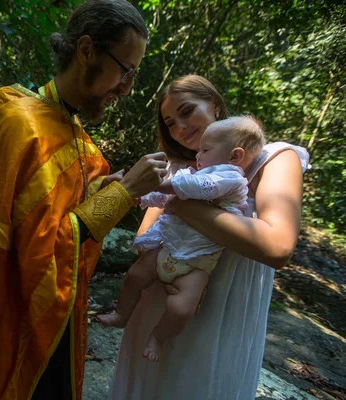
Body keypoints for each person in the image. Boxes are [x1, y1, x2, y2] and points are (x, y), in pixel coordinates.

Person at [0, 1, 168, 399]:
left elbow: (69, 220)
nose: (127, 88)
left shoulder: (80, 140)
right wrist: (123, 190)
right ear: (86, 51)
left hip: (67, 306)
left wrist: (107, 189)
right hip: (29, 312)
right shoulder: (25, 125)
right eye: (126, 70)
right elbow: (37, 248)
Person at [108, 74, 310, 399]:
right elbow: (144, 236)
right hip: (163, 304)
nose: (179, 128)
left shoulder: (274, 158)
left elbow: (278, 245)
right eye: (170, 123)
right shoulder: (178, 170)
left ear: (214, 104)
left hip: (222, 312)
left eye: (187, 111)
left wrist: (179, 203)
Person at [99, 116, 266, 362]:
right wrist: (143, 197)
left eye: (205, 150)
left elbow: (192, 187)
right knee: (135, 276)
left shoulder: (229, 178)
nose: (198, 155)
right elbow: (166, 198)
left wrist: (150, 183)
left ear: (234, 156)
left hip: (196, 262)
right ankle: (122, 314)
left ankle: (159, 336)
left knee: (181, 308)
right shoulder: (193, 174)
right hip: (167, 246)